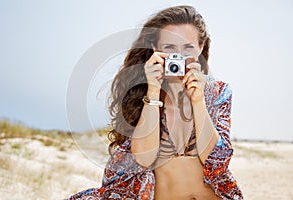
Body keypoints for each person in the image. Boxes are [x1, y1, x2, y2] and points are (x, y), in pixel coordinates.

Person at [67, 5, 243, 200]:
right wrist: (152, 90)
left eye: (187, 47)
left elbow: (217, 161)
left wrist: (198, 101)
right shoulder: (143, 95)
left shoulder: (218, 92)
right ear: (155, 49)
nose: (179, 56)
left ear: (201, 47)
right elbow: (144, 158)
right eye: (170, 48)